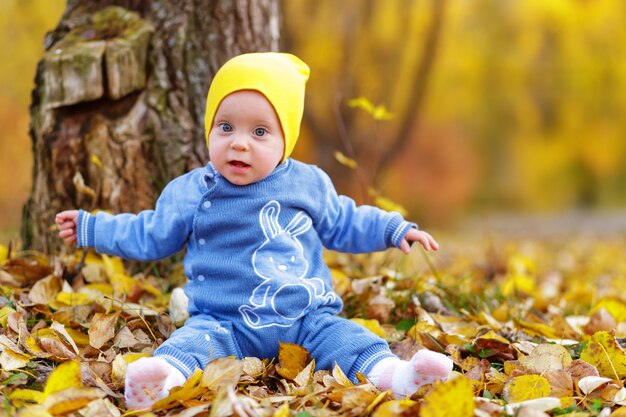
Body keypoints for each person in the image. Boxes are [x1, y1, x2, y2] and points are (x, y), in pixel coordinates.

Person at [56, 52, 453, 409]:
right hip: (223, 320)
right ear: (209, 129)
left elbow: (345, 220)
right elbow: (149, 233)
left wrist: (392, 228)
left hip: (306, 317)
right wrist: (93, 227)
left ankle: (399, 377)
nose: (239, 144)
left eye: (260, 132)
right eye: (226, 127)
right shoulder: (193, 190)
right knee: (191, 344)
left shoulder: (307, 182)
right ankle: (161, 380)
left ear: (286, 140)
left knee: (349, 340)